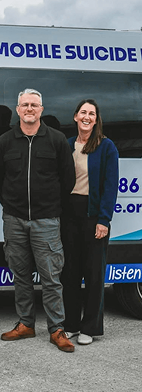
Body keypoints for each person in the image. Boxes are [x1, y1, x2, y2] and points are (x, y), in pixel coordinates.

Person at [0, 88, 76, 353]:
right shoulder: (6, 140)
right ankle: (26, 324)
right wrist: (11, 205)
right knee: (21, 275)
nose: (29, 109)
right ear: (18, 110)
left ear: (41, 110)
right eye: (25, 104)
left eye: (34, 105)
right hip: (14, 219)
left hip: (46, 220)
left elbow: (68, 179)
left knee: (51, 277)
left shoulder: (57, 139)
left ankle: (57, 329)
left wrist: (50, 206)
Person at [61, 99, 119, 345]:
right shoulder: (66, 145)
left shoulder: (106, 147)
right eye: (83, 112)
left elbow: (110, 186)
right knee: (69, 273)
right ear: (75, 116)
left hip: (94, 215)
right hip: (69, 215)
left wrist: (104, 220)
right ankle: (71, 325)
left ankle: (90, 328)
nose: (87, 117)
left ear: (96, 119)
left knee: (94, 274)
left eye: (91, 114)